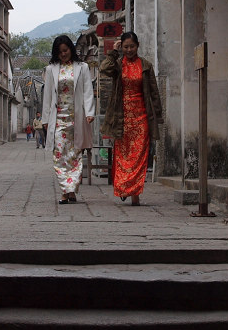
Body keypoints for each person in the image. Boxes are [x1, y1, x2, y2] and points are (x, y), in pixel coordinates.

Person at [100, 31, 162, 206]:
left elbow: (154, 93)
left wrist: (157, 116)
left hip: (141, 115)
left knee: (139, 156)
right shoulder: (118, 65)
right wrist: (114, 52)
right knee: (123, 155)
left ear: (138, 46)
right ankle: (125, 187)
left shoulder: (146, 66)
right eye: (126, 47)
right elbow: (104, 68)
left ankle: (135, 193)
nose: (129, 50)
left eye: (132, 46)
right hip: (122, 117)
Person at [40, 35, 94, 204]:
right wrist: (45, 118)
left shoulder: (82, 67)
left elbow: (87, 91)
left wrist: (89, 112)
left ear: (71, 49)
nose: (63, 54)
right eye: (60, 52)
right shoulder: (51, 70)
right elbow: (47, 95)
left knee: (75, 154)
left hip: (76, 116)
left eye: (65, 50)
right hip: (58, 119)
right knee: (59, 154)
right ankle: (65, 190)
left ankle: (71, 190)